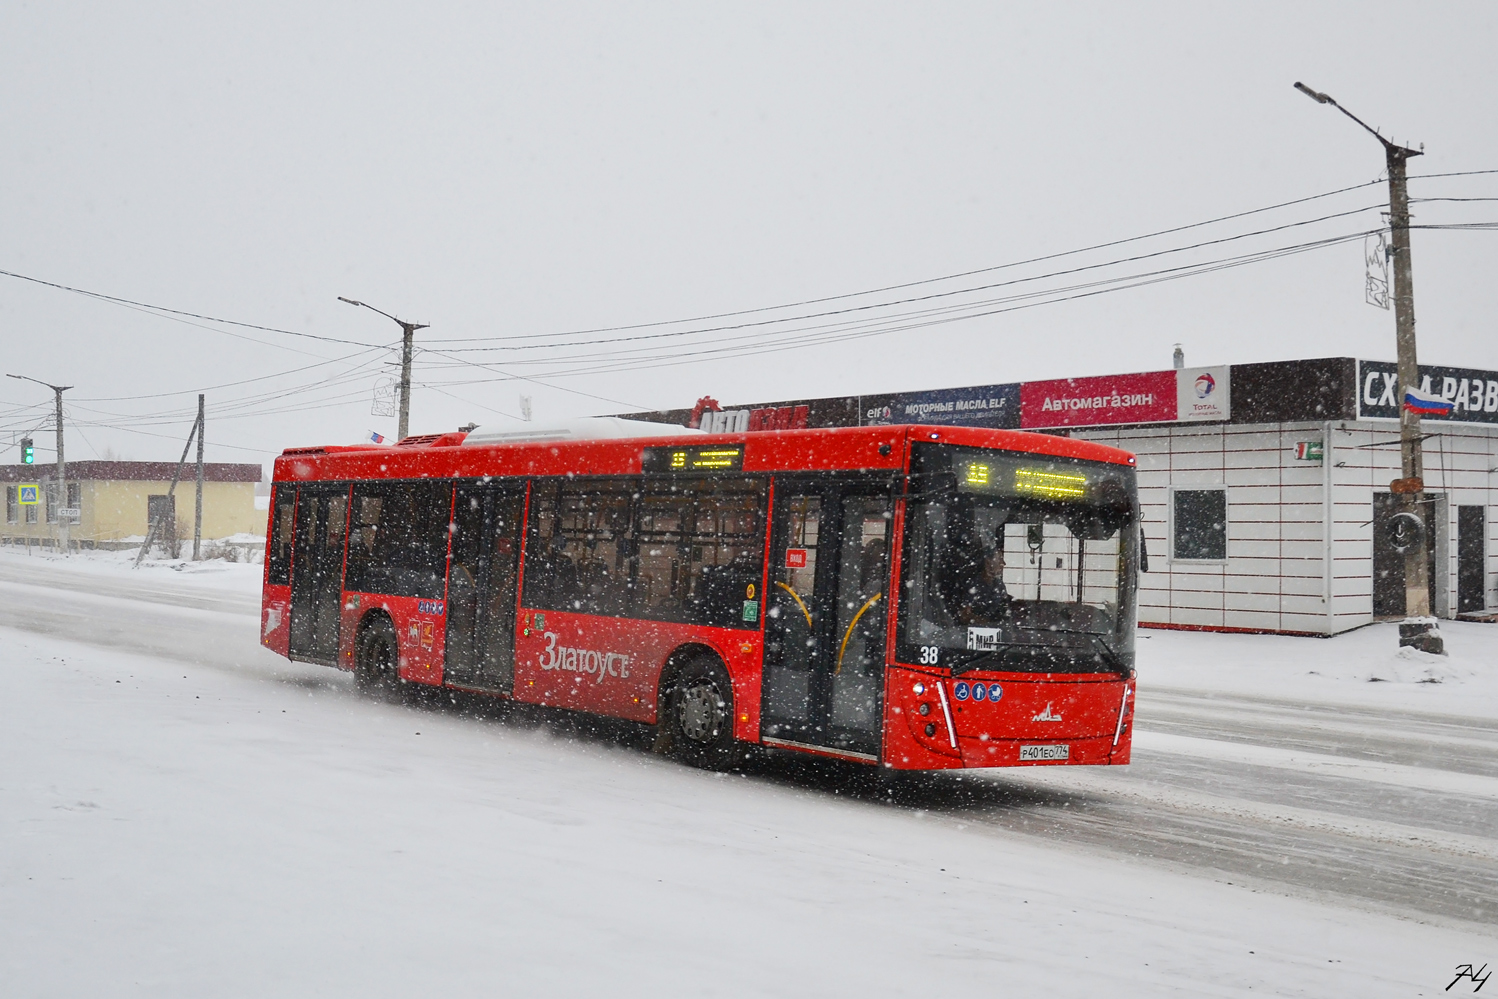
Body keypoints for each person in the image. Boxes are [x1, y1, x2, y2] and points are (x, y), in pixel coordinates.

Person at [953, 544, 1011, 625]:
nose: (1003, 563)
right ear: (988, 562)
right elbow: (964, 615)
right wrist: (985, 623)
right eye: (1000, 559)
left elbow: (1004, 607)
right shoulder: (973, 585)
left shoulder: (999, 585)